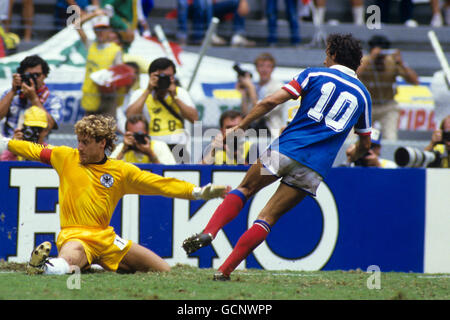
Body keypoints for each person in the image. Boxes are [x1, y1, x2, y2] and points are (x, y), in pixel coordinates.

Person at [182, 33, 372, 280]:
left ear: (334, 54)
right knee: (268, 217)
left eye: (326, 53)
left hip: (284, 150)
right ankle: (224, 271)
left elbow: (271, 100)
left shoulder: (314, 74)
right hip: (314, 168)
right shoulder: (364, 96)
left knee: (245, 189)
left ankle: (210, 231)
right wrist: (354, 152)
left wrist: (241, 126)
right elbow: (365, 143)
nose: (324, 58)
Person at [0, 114, 229, 275]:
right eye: (79, 141)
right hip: (76, 236)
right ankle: (43, 267)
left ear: (102, 143)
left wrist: (198, 192)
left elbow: (160, 184)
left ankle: (88, 266)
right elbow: (32, 149)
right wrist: (5, 143)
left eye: (86, 142)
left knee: (162, 270)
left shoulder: (121, 171)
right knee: (68, 259)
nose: (79, 147)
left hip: (108, 239)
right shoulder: (64, 156)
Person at [126, 57, 198, 163]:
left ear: (173, 77)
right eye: (160, 76)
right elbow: (130, 116)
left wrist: (175, 97)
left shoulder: (180, 93)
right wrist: (148, 90)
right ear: (151, 76)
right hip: (152, 146)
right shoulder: (141, 94)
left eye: (168, 76)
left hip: (178, 147)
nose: (164, 80)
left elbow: (194, 119)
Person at [357, 35, 419, 141]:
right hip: (366, 106)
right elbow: (355, 74)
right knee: (353, 138)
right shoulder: (364, 61)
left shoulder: (392, 62)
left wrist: (401, 63)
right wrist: (372, 58)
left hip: (387, 106)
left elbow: (415, 81)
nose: (380, 58)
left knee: (391, 138)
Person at [0, 55, 62, 139]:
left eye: (37, 75)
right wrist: (13, 91)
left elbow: (50, 125)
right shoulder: (12, 94)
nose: (33, 79)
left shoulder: (52, 99)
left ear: (45, 75)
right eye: (29, 75)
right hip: (9, 143)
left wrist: (34, 99)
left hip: (36, 147)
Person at [76, 11, 123, 117]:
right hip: (90, 96)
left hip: (107, 98)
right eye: (98, 29)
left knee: (106, 130)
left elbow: (119, 74)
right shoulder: (90, 45)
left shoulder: (116, 50)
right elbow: (76, 24)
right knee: (88, 130)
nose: (100, 32)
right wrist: (94, 14)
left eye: (104, 29)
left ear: (109, 30)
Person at [237, 52, 287, 138]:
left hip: (271, 132)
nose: (264, 69)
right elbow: (246, 114)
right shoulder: (254, 86)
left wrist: (251, 89)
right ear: (256, 68)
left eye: (268, 66)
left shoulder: (278, 86)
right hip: (253, 131)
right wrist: (244, 94)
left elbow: (263, 110)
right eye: (261, 66)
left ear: (272, 69)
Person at [110, 114, 176, 164]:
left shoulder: (159, 146)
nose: (135, 139)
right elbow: (109, 172)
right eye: (132, 135)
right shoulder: (122, 147)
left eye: (139, 135)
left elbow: (168, 173)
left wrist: (150, 153)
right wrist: (123, 150)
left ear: (148, 133)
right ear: (126, 134)